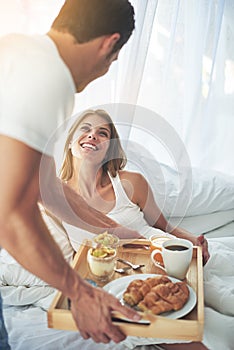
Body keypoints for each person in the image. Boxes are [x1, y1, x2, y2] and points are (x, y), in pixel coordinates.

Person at [0, 0, 143, 347]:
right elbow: (11, 215)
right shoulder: (50, 77)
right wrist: (80, 293)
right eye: (113, 61)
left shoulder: (18, 51)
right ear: (109, 45)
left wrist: (112, 229)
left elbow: (49, 188)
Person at [59, 108, 210, 264]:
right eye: (85, 128)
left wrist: (193, 240)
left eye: (102, 133)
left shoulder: (131, 183)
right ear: (70, 141)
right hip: (105, 276)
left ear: (109, 150)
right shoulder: (55, 195)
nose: (92, 135)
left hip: (160, 261)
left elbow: (164, 226)